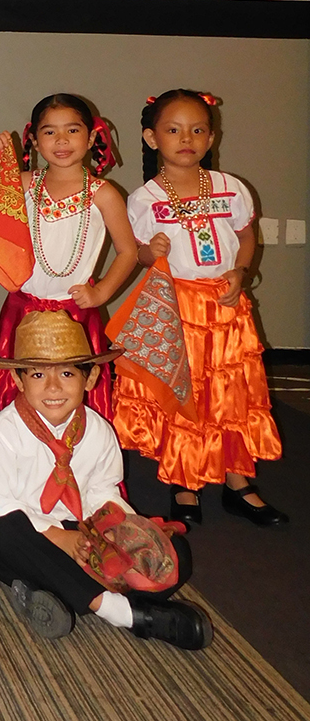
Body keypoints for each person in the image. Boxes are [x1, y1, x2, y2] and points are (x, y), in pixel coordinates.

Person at [0, 309, 211, 649]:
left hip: (86, 529)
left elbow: (104, 489)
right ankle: (126, 613)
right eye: (39, 374)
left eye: (67, 373)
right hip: (35, 533)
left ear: (90, 379)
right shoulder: (3, 432)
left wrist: (121, 527)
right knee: (1, 538)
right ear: (18, 380)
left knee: (174, 552)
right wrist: (60, 539)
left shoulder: (99, 430)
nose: (53, 387)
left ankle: (65, 593)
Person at [113, 90, 285, 528]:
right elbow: (137, 254)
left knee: (232, 393)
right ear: (152, 138)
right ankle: (183, 480)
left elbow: (245, 237)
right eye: (173, 130)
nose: (186, 138)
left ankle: (237, 481)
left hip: (225, 307)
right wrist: (151, 252)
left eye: (197, 130)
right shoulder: (145, 198)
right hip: (178, 308)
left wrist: (240, 273)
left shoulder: (231, 188)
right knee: (185, 393)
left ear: (210, 138)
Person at [0, 94, 138, 481]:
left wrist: (101, 293)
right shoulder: (25, 184)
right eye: (49, 132)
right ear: (34, 141)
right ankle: (7, 478)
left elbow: (128, 251)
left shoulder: (103, 193)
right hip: (22, 310)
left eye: (72, 130)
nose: (61, 140)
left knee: (75, 393)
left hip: (77, 315)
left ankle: (81, 478)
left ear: (91, 138)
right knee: (14, 390)